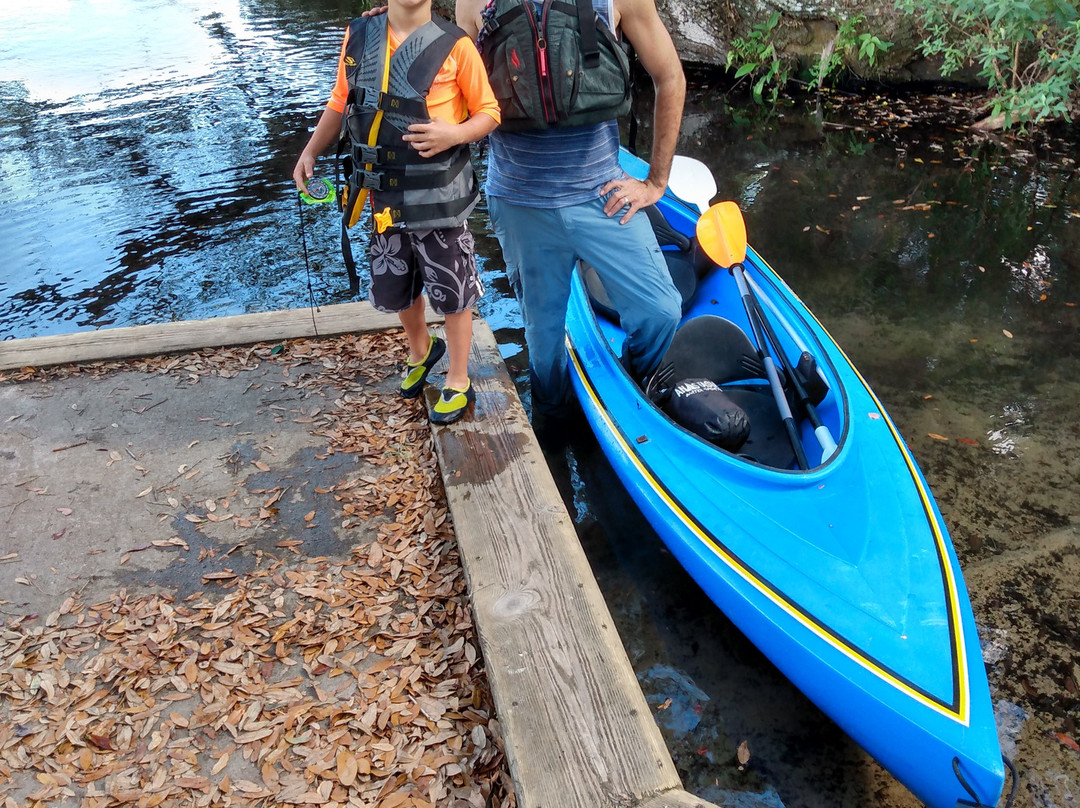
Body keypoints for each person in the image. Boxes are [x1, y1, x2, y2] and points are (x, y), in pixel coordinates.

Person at [455, 0, 687, 422]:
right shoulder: (472, 2)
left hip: (604, 197)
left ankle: (635, 384)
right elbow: (455, 90)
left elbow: (669, 76)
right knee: (543, 346)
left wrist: (656, 181)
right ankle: (552, 434)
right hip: (520, 203)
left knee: (661, 310)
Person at [292, 0, 501, 424]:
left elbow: (489, 112)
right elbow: (340, 101)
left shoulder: (457, 45)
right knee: (397, 286)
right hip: (382, 197)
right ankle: (422, 351)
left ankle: (458, 378)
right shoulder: (359, 35)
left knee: (453, 292)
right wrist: (311, 150)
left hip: (439, 198)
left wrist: (455, 133)